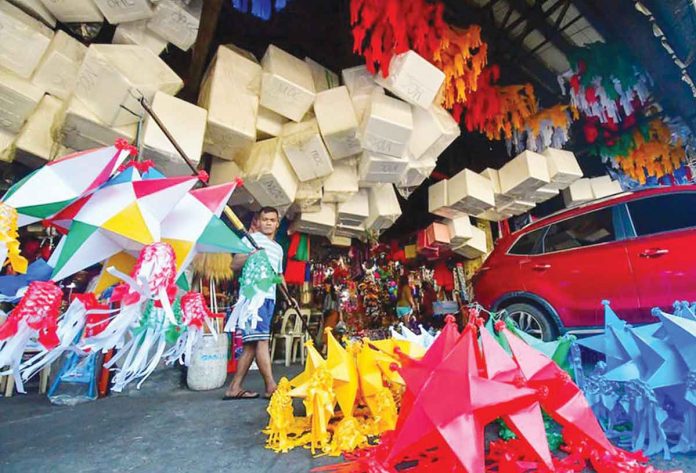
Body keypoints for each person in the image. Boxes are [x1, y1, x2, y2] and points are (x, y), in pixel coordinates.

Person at [224, 207, 288, 400]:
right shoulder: (249, 240)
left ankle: (234, 387)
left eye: (272, 220)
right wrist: (251, 254)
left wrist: (288, 296)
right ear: (258, 222)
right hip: (253, 298)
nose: (268, 223)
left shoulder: (278, 249)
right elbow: (233, 265)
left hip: (268, 298)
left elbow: (278, 275)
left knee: (251, 345)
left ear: (277, 223)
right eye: (265, 219)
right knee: (261, 341)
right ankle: (271, 386)